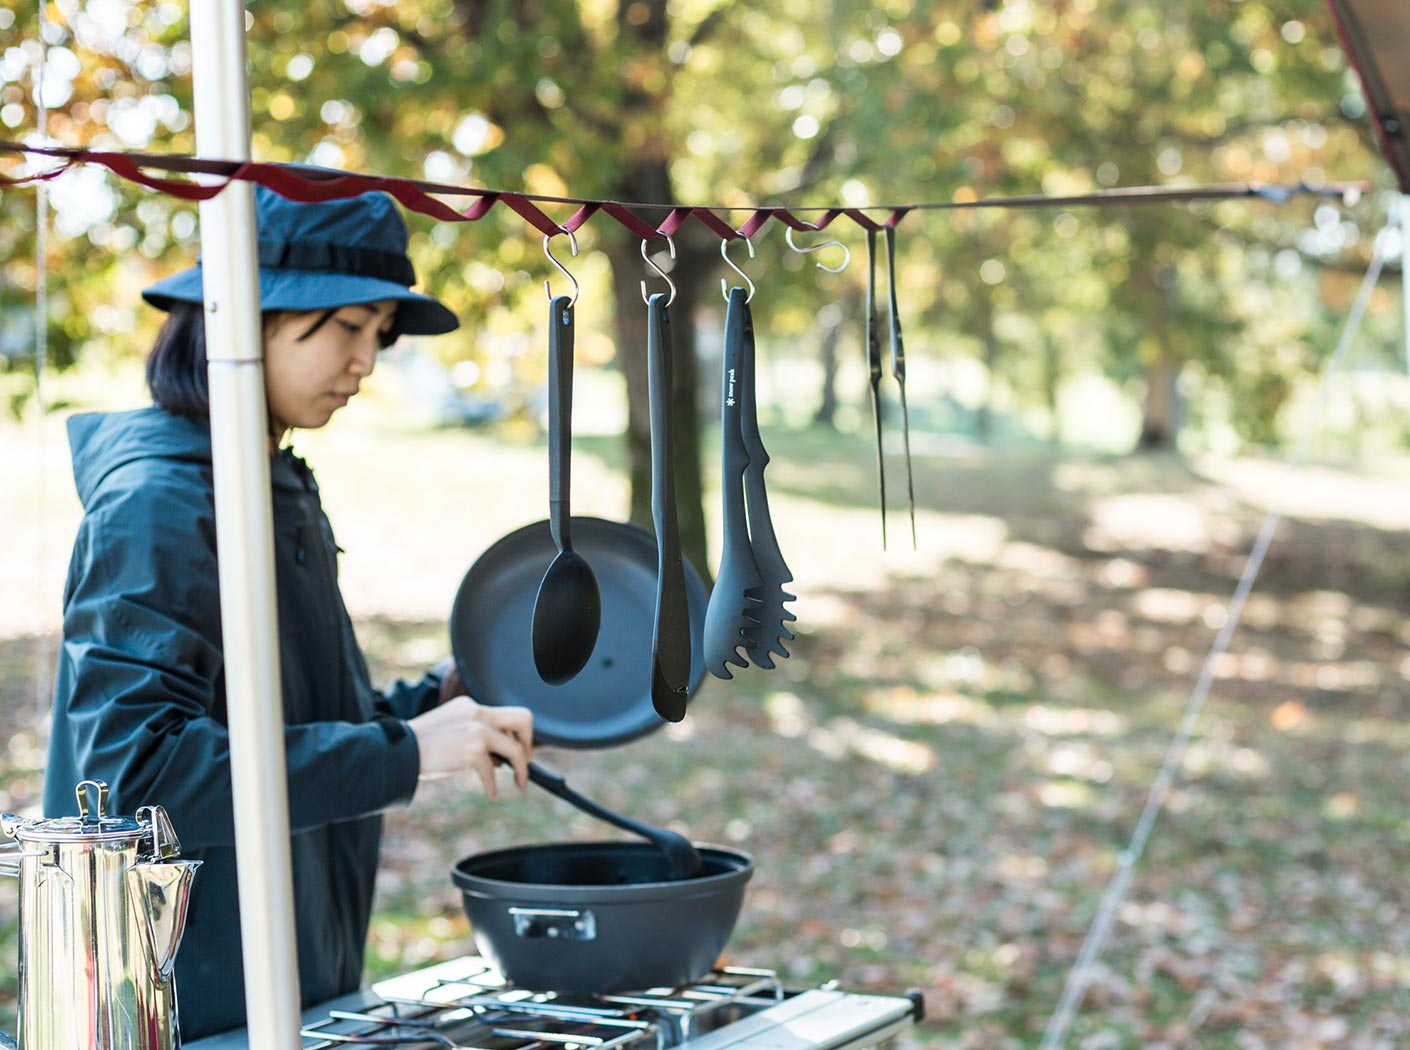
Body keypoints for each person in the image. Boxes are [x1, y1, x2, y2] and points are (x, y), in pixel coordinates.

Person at [43, 185, 534, 1039]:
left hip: (288, 976)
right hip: (173, 1002)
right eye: (346, 325)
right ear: (241, 317)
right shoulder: (162, 504)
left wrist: (443, 702)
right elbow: (135, 783)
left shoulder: (268, 483)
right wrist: (405, 753)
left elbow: (300, 724)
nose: (368, 361)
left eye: (379, 332)